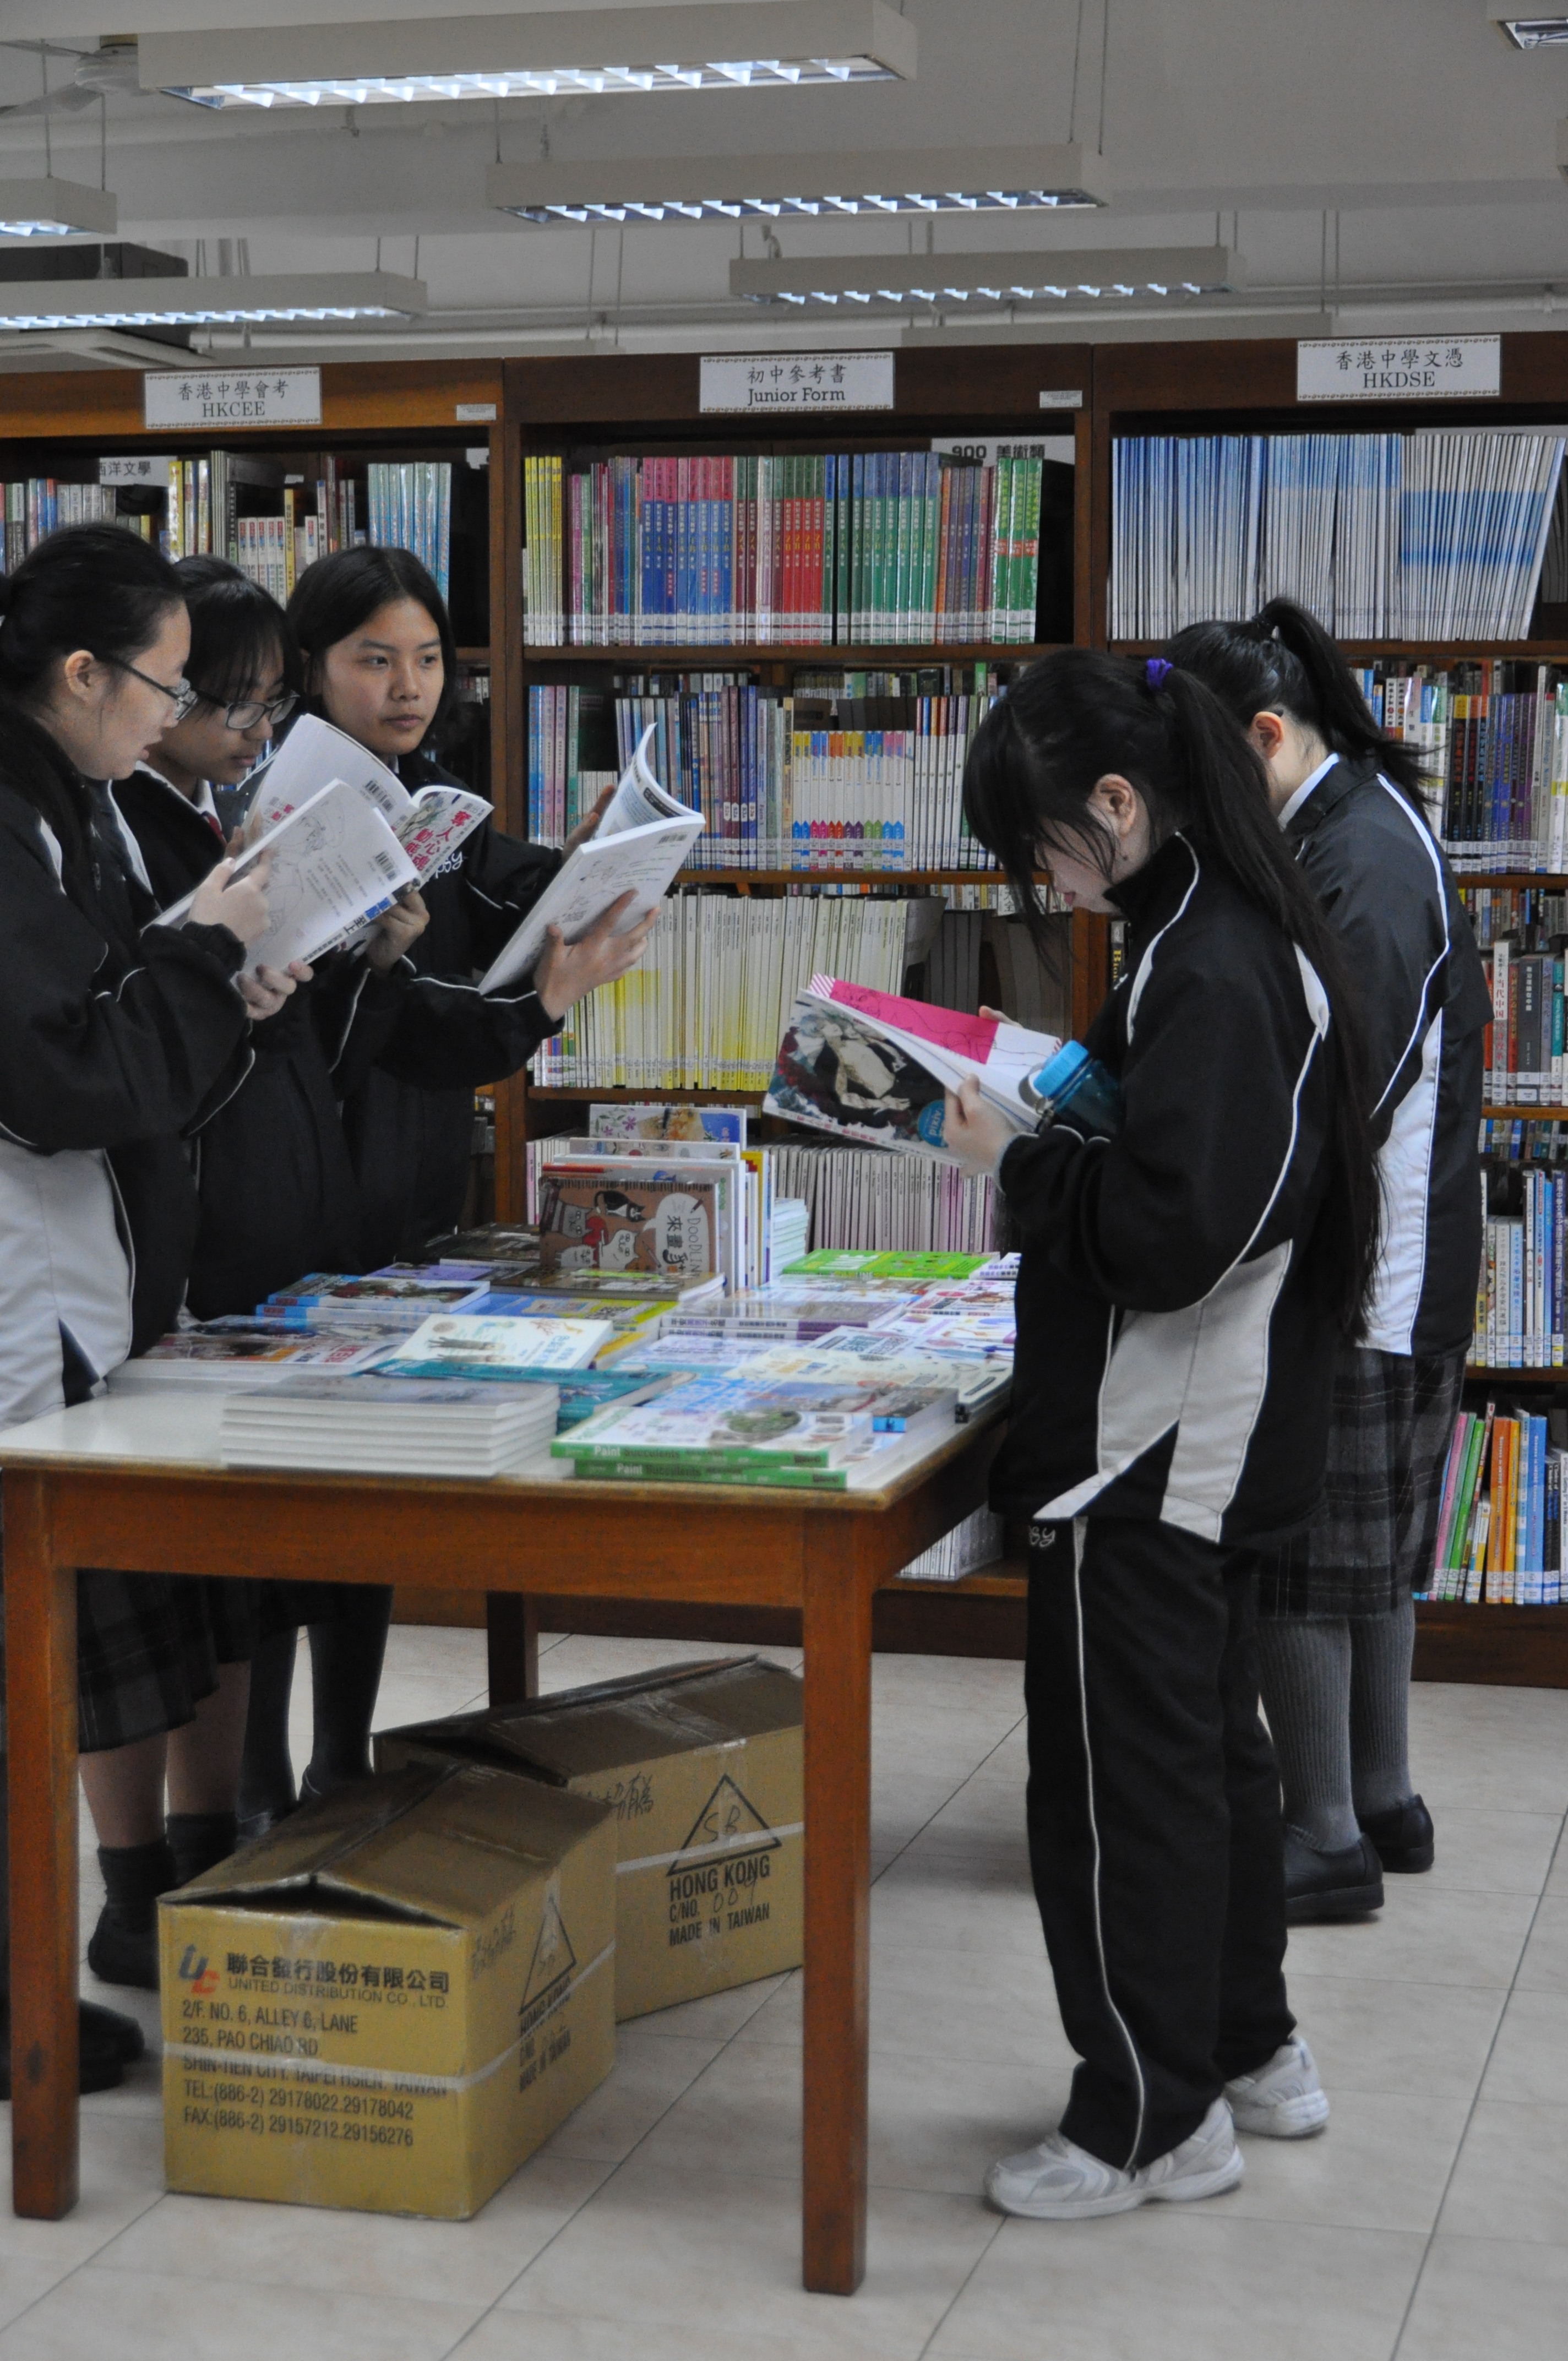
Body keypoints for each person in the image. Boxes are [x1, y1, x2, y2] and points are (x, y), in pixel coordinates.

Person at [941, 648, 1381, 2221]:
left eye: (1042, 848)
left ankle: (1146, 2117)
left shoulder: (1208, 965)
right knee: (1206, 1759)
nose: (1044, 882)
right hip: (1216, 1435)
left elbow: (1175, 1230)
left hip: (1150, 1448)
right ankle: (1246, 2046)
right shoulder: (1231, 928)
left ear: (1117, 805)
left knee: (1119, 1793)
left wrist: (1018, 1163)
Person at [235, 546, 654, 1836]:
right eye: (375, 659)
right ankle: (252, 1781)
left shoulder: (430, 804)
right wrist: (531, 1010)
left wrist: (593, 862)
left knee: (363, 1500)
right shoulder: (275, 814)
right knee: (274, 1507)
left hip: (400, 1184)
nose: (406, 685)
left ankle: (340, 1758)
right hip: (293, 1185)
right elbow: (409, 1017)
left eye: (426, 658)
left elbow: (506, 883)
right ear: (310, 668)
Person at [0, 523, 275, 2088]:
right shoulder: (12, 816)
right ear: (81, 673)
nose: (175, 718)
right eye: (166, 686)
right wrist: (200, 961)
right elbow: (58, 1075)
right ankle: (19, 2008)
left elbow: (116, 1013)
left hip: (76, 1275)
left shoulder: (75, 803)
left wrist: (219, 979)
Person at [1167, 600, 1489, 1919]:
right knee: (1371, 1556)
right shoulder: (1347, 817)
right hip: (1398, 1261)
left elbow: (1334, 1080)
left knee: (1301, 1551)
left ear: (1264, 734)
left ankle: (1321, 1834)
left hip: (1368, 1271)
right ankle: (1381, 1797)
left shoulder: (1361, 859)